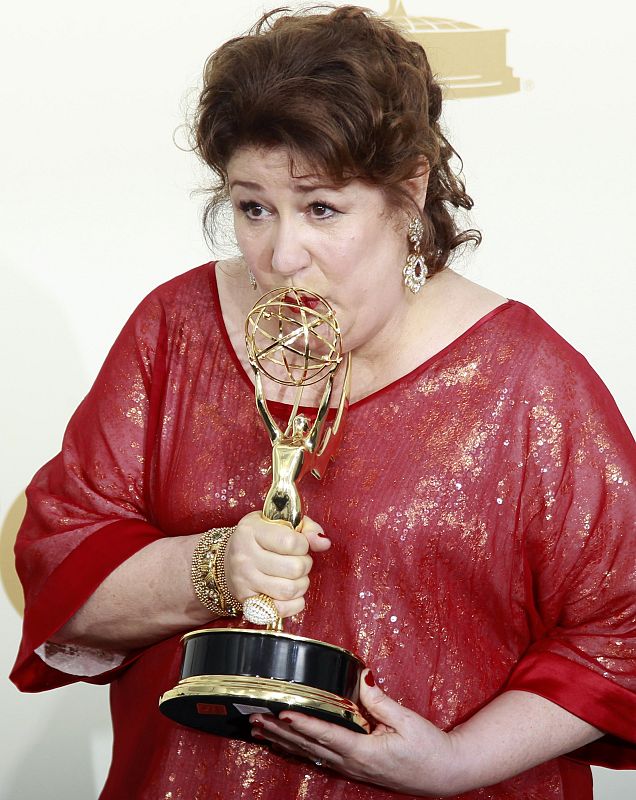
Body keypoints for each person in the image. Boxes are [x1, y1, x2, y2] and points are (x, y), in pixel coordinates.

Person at [11, 6, 635, 799]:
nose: (279, 254)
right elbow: (58, 575)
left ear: (407, 195)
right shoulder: (177, 328)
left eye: (321, 208)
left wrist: (456, 763)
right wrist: (211, 568)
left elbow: (623, 626)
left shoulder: (526, 381)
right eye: (252, 207)